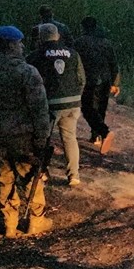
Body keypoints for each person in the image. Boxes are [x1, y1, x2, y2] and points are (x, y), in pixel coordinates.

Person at [0, 26, 51, 239]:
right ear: (11, 45)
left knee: (4, 177)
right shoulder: (27, 72)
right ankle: (35, 220)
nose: (22, 46)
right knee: (30, 176)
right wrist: (42, 137)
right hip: (24, 136)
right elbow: (39, 108)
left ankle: (9, 222)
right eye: (19, 43)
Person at [27, 23, 86, 187]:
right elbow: (81, 78)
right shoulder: (73, 54)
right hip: (72, 102)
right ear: (57, 36)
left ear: (40, 37)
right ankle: (74, 176)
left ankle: (41, 172)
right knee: (69, 138)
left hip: (49, 103)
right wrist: (76, 96)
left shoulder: (35, 56)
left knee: (42, 138)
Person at [75, 16, 120, 154]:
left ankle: (101, 133)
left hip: (89, 80)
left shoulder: (79, 42)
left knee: (88, 108)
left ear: (83, 27)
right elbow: (114, 64)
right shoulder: (106, 43)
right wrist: (115, 83)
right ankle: (97, 136)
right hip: (105, 80)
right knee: (101, 107)